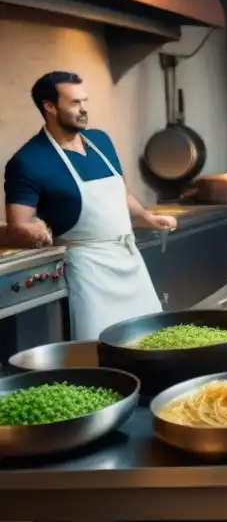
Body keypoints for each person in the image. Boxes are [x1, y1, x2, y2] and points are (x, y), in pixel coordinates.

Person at [4, 72, 177, 340]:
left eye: (85, 101)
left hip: (129, 260)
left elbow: (118, 191)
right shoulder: (28, 161)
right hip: (88, 270)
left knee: (152, 340)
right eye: (74, 103)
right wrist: (32, 231)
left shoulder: (100, 141)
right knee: (99, 348)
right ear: (49, 106)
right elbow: (18, 226)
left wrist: (145, 217)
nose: (84, 109)